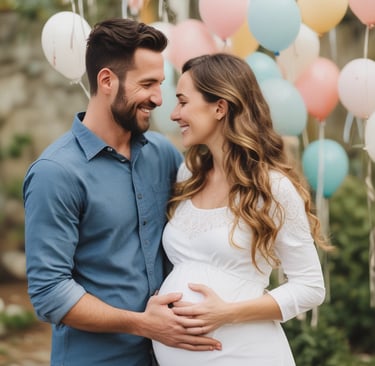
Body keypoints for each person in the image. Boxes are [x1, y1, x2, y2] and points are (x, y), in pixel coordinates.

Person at [23, 18, 221, 366]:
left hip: (170, 357)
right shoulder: (55, 173)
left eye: (160, 83)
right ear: (107, 81)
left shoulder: (164, 155)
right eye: (147, 84)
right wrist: (143, 325)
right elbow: (50, 293)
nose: (158, 98)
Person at [152, 53, 331, 366]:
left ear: (220, 107)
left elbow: (311, 287)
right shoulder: (188, 175)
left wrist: (227, 313)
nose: (174, 114)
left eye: (183, 102)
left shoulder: (273, 188)